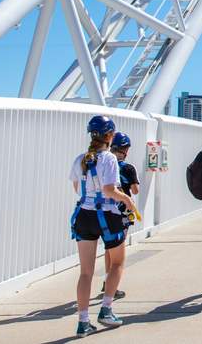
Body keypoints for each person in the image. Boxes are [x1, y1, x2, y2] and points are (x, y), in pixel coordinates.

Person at [69, 116, 141, 338]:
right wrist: (128, 201)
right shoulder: (108, 159)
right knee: (117, 262)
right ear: (110, 135)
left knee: (85, 272)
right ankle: (106, 310)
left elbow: (76, 188)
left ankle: (83, 322)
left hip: (84, 215)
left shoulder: (81, 159)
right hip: (107, 216)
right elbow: (110, 189)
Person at [99, 132, 139, 301]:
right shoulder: (128, 168)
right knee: (118, 251)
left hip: (104, 210)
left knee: (108, 248)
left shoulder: (104, 163)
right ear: (126, 150)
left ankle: (106, 280)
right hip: (122, 211)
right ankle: (112, 286)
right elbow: (135, 190)